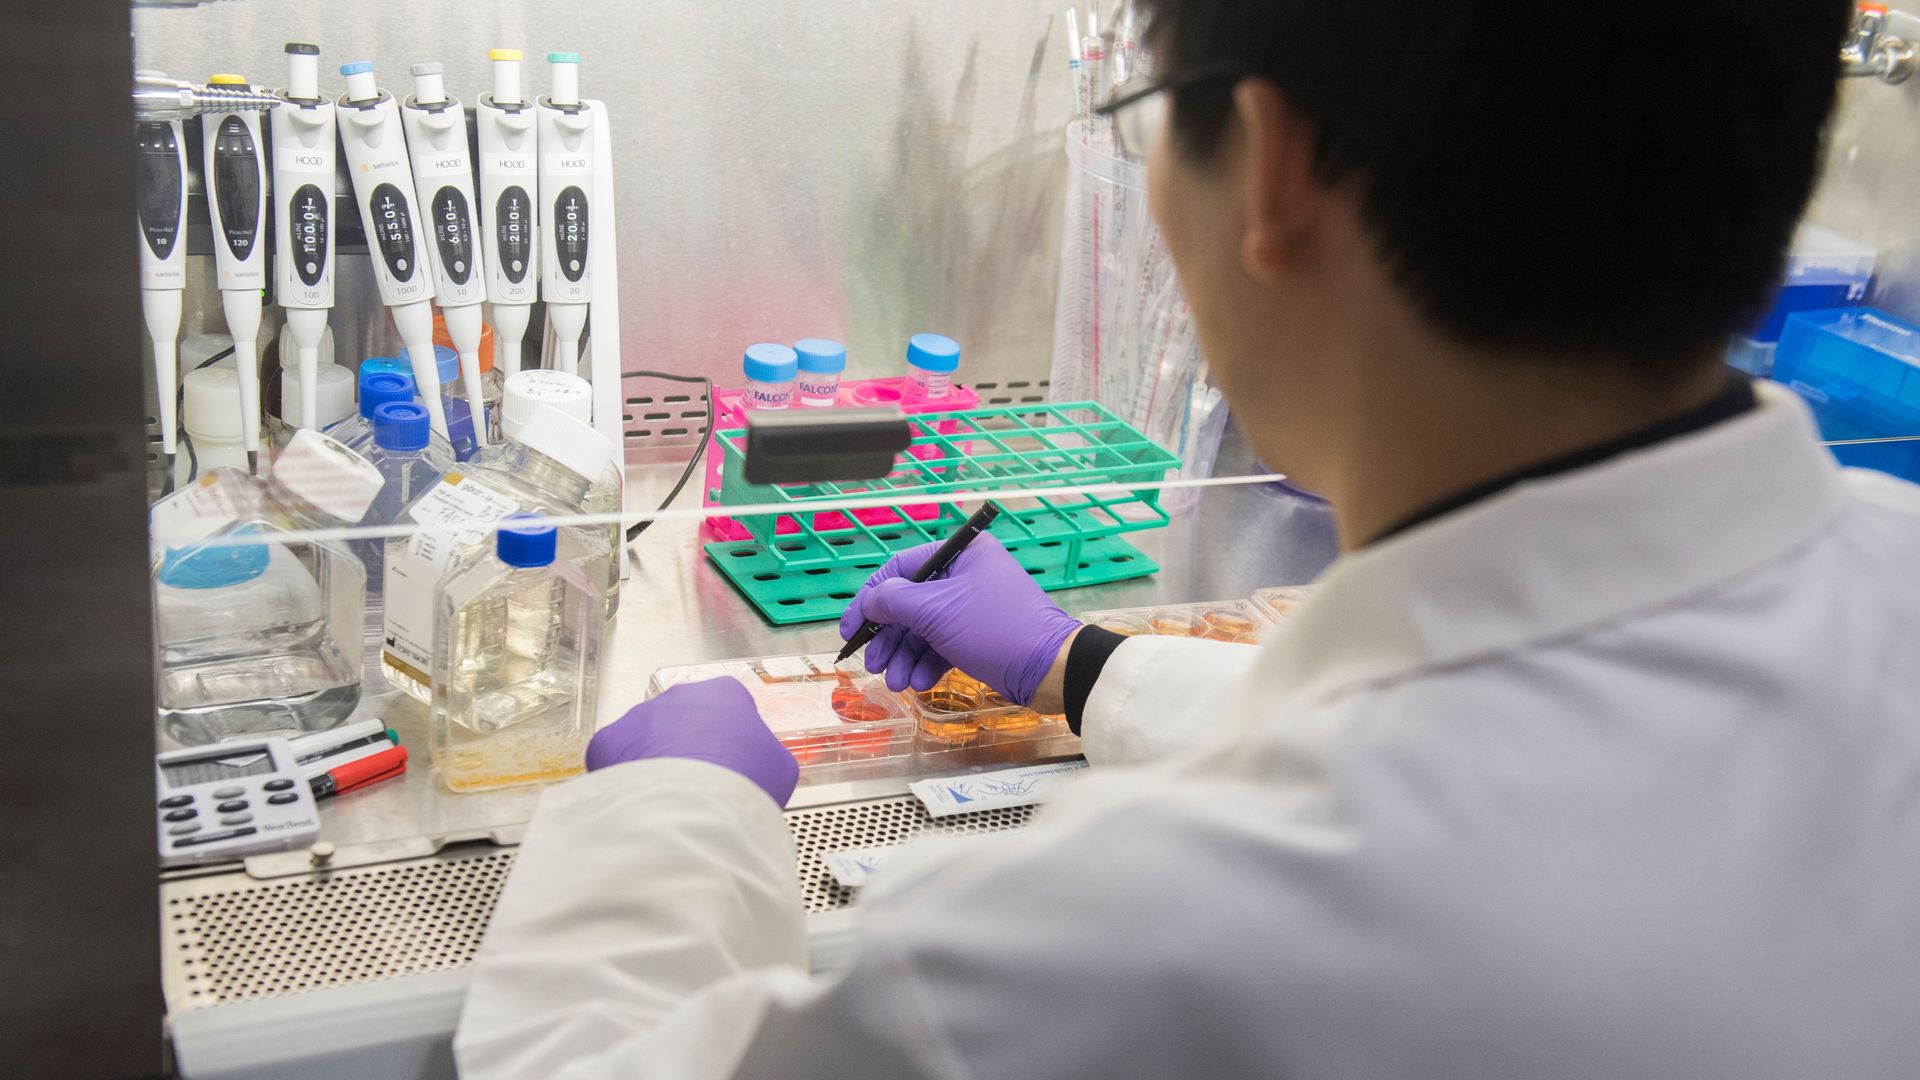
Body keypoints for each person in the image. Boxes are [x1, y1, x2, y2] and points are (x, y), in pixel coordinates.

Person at [456, 1, 1920, 1076]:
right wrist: (1081, 664)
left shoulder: (1118, 945)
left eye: (1143, 123)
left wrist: (675, 819)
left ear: (1273, 169)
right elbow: (1527, 729)